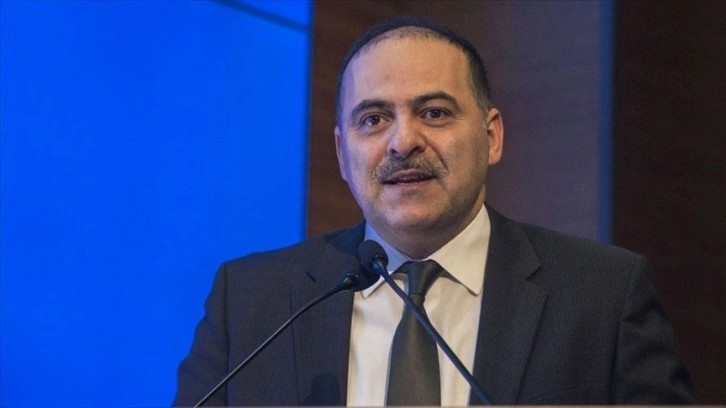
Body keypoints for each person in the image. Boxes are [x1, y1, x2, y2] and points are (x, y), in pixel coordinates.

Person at [174, 16, 693, 405]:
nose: (403, 141)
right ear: (342, 155)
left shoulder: (604, 295)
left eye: (434, 112)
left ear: (491, 137)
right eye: (373, 119)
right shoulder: (251, 304)